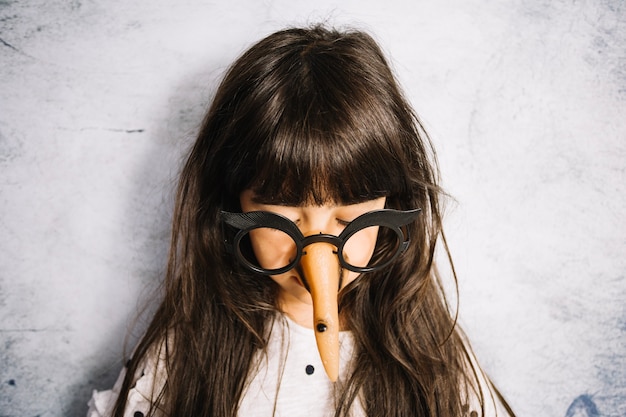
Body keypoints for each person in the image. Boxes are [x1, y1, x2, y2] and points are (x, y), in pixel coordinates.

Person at [87, 25, 515, 417]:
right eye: (286, 214)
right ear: (233, 205)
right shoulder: (182, 356)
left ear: (392, 205)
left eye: (348, 215)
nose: (317, 247)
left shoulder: (435, 358)